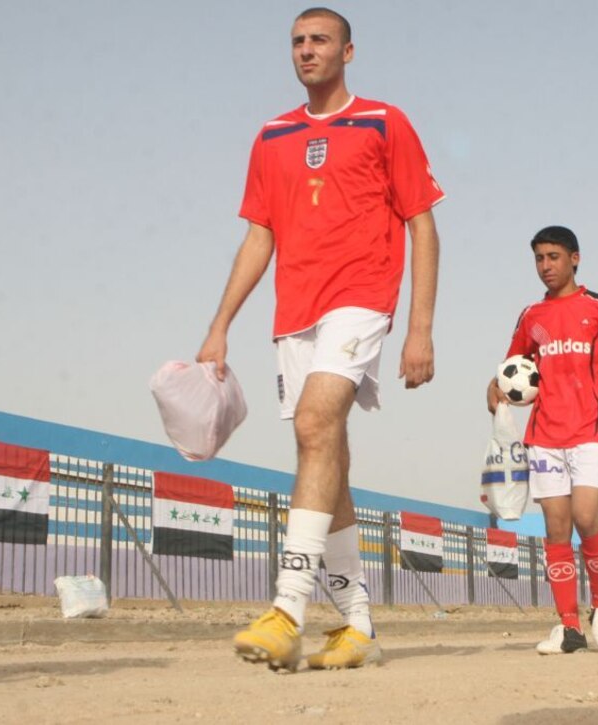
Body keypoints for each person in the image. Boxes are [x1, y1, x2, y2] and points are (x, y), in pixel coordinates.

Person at [197, 8, 445, 672]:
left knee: (313, 421)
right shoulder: (272, 135)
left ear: (348, 51)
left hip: (361, 298)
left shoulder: (384, 121)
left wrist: (418, 328)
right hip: (293, 312)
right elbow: (260, 235)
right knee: (323, 449)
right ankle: (358, 625)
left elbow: (422, 224)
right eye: (298, 42)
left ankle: (287, 610)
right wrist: (219, 326)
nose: (307, 51)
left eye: (320, 41)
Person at [488, 225, 598, 655]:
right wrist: (494, 389)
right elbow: (512, 368)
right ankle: (568, 626)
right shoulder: (531, 316)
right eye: (539, 258)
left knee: (587, 517)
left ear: (575, 258)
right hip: (545, 435)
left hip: (591, 430)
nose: (545, 266)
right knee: (556, 526)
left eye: (553, 257)